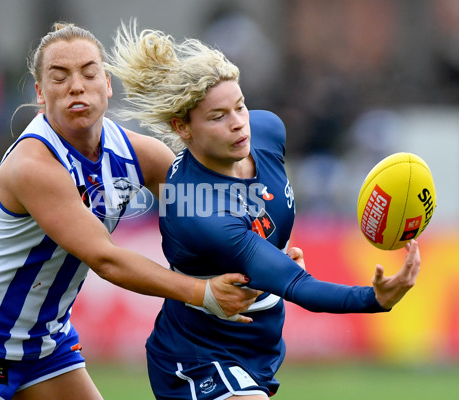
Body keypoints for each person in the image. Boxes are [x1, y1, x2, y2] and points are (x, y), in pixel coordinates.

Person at [0, 22, 260, 400]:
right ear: (40, 94)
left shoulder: (136, 153)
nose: (76, 86)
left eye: (89, 73)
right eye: (59, 77)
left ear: (107, 84)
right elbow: (105, 258)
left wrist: (269, 250)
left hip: (45, 348)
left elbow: (209, 214)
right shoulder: (35, 164)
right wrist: (201, 291)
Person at [105, 21, 421, 399]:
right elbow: (298, 286)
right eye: (218, 116)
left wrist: (274, 256)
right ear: (183, 128)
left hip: (259, 347)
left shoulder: (268, 131)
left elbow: (265, 234)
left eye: (239, 106)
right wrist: (374, 299)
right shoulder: (198, 212)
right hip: (196, 355)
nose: (239, 124)